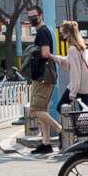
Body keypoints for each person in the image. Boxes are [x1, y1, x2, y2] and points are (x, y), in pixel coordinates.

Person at [18, 21, 59, 155]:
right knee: (42, 110)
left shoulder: (42, 32)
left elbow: (46, 53)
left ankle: (60, 130)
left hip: (42, 77)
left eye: (34, 15)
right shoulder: (44, 31)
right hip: (43, 77)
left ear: (40, 15)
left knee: (35, 110)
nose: (31, 18)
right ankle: (46, 143)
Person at [57, 20, 88, 124]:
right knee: (84, 115)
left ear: (68, 33)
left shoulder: (73, 49)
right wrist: (54, 58)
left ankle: (70, 132)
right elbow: (70, 61)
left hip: (78, 86)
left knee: (60, 108)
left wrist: (73, 92)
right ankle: (82, 135)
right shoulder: (80, 47)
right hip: (84, 85)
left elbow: (75, 72)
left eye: (62, 33)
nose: (61, 35)